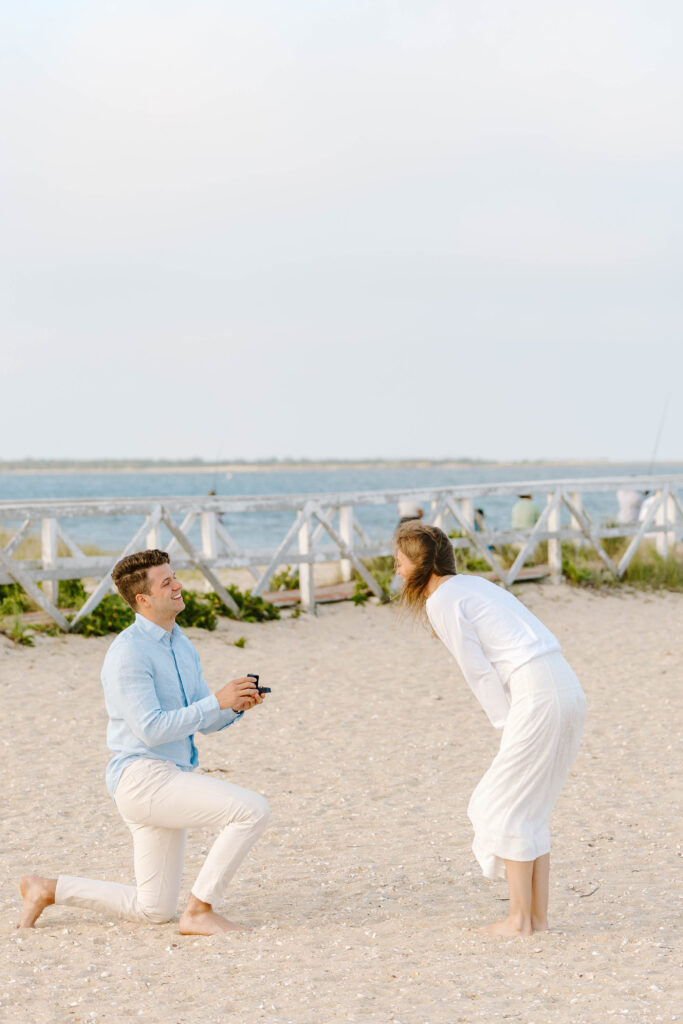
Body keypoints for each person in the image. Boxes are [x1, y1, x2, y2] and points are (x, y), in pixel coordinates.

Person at [19, 549, 269, 936]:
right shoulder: (128, 652)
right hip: (142, 778)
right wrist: (215, 701)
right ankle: (199, 911)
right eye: (166, 582)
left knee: (153, 909)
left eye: (175, 577)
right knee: (251, 810)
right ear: (143, 599)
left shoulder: (181, 645)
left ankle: (47, 889)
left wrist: (235, 706)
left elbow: (201, 720)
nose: (178, 585)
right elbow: (151, 729)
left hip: (170, 776)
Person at [393, 522, 586, 937]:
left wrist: (505, 721)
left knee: (503, 803)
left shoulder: (442, 598)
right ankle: (536, 919)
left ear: (422, 566)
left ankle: (519, 921)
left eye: (400, 562)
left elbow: (476, 670)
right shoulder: (473, 585)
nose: (397, 571)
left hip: (538, 693)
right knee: (530, 806)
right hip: (565, 685)